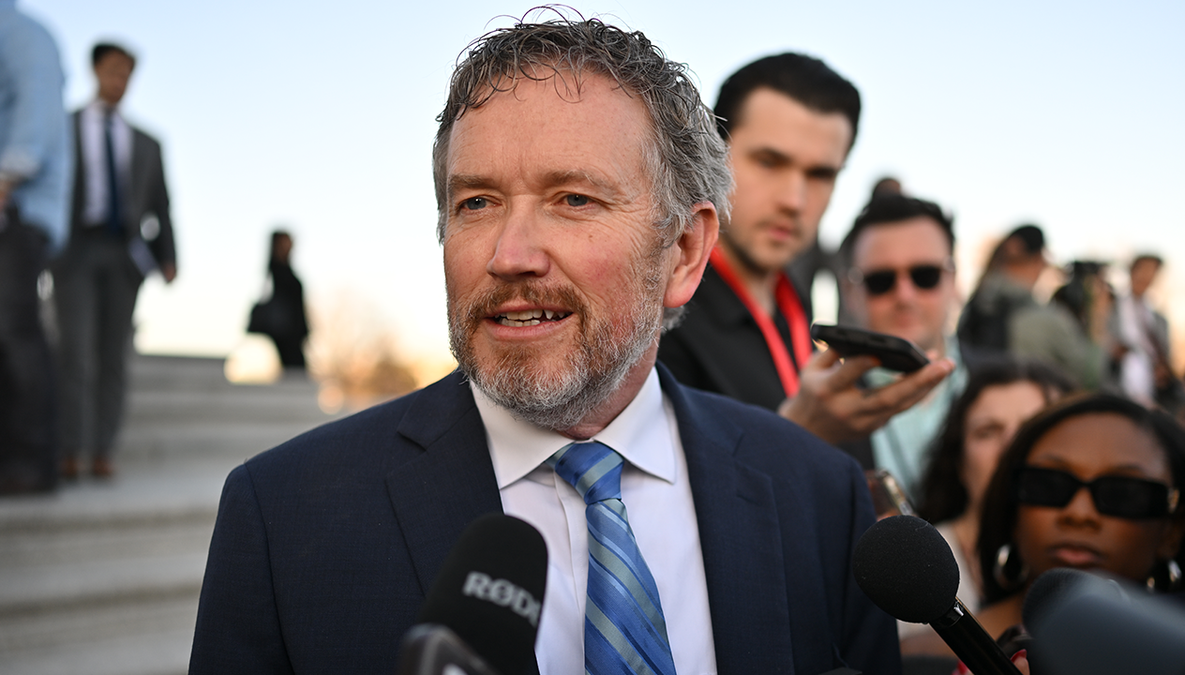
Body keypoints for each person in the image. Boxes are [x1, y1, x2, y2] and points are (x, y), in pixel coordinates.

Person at [190, 15, 900, 675]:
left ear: (683, 251)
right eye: (476, 202)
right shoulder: (286, 516)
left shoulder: (819, 495)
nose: (510, 253)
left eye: (573, 199)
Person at [656, 53, 952, 445]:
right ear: (714, 154)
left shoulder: (792, 304)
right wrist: (803, 436)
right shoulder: (657, 318)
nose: (795, 200)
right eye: (769, 162)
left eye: (820, 174)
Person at [969, 392, 1185, 654]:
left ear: (1171, 532)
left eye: (1122, 493)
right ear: (1013, 510)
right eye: (1049, 485)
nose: (1079, 514)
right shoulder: (927, 655)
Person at [53, 42, 177, 480]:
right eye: (112, 71)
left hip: (125, 257)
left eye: (126, 74)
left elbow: (162, 205)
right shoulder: (63, 127)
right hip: (74, 253)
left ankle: (103, 450)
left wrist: (168, 257)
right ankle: (70, 448)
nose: (118, 80)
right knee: (75, 353)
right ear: (96, 71)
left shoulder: (147, 142)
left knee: (113, 357)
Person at [901, 359, 1074, 656]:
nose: (1010, 448)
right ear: (958, 461)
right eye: (988, 432)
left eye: (1030, 430)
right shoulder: (911, 569)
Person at [0, 0, 70, 495]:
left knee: (12, 327)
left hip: (15, 209)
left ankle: (35, 460)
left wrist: (1, 185)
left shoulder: (20, 32)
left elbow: (37, 110)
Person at [837, 193, 968, 483]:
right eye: (881, 281)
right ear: (849, 292)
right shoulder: (822, 405)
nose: (905, 296)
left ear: (953, 280)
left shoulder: (1007, 384)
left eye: (925, 276)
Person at [957, 224, 1110, 389]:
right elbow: (1091, 377)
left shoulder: (977, 303)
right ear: (1041, 259)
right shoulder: (1048, 320)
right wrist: (1098, 318)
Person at [1114, 254, 1179, 409]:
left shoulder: (1159, 320)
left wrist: (1162, 370)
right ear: (1132, 271)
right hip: (1117, 391)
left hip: (1151, 397)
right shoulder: (1110, 309)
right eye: (1143, 270)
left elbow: (1166, 358)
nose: (1146, 277)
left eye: (1152, 272)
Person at [256, 230, 308, 369]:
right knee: (294, 371)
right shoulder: (276, 272)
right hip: (284, 332)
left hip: (294, 332)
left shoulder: (285, 270)